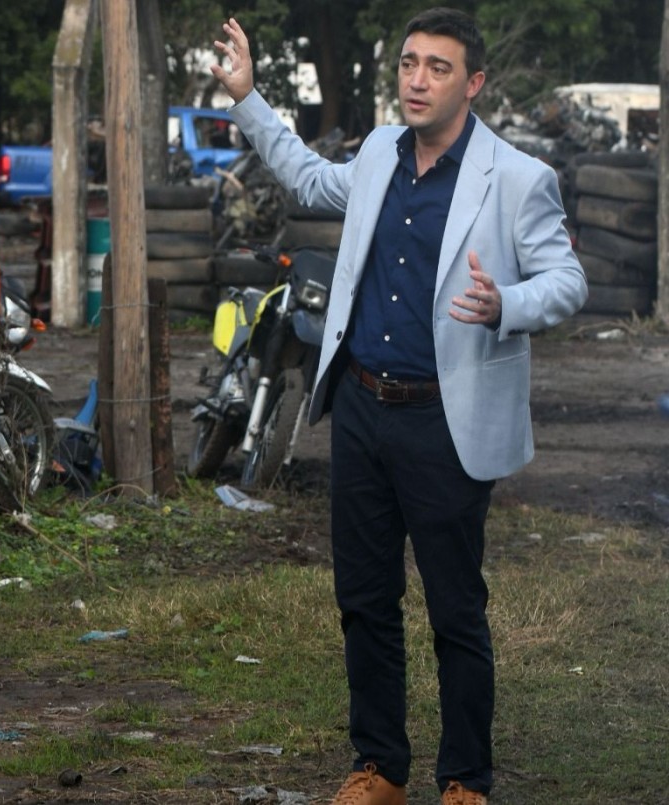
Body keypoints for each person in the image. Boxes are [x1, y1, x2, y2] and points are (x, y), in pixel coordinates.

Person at [211, 9, 585, 805]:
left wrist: (506, 303)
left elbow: (567, 281)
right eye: (409, 64)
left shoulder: (517, 178)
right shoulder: (381, 149)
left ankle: (465, 780)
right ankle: (380, 766)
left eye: (437, 68)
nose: (417, 80)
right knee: (365, 598)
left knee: (456, 608)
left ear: (473, 83)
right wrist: (249, 98)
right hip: (361, 406)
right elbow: (311, 178)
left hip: (446, 418)